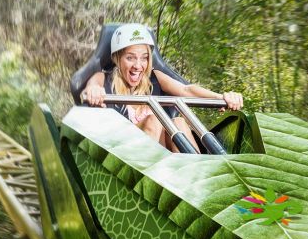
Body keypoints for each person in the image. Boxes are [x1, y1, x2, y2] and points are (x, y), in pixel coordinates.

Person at [79, 23, 244, 151]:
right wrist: (94, 90)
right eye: (130, 58)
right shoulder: (103, 78)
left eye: (144, 58)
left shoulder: (155, 78)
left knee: (178, 122)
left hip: (167, 160)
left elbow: (187, 90)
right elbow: (93, 86)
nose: (138, 65)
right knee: (154, 120)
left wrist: (220, 97)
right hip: (125, 159)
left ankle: (199, 178)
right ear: (116, 58)